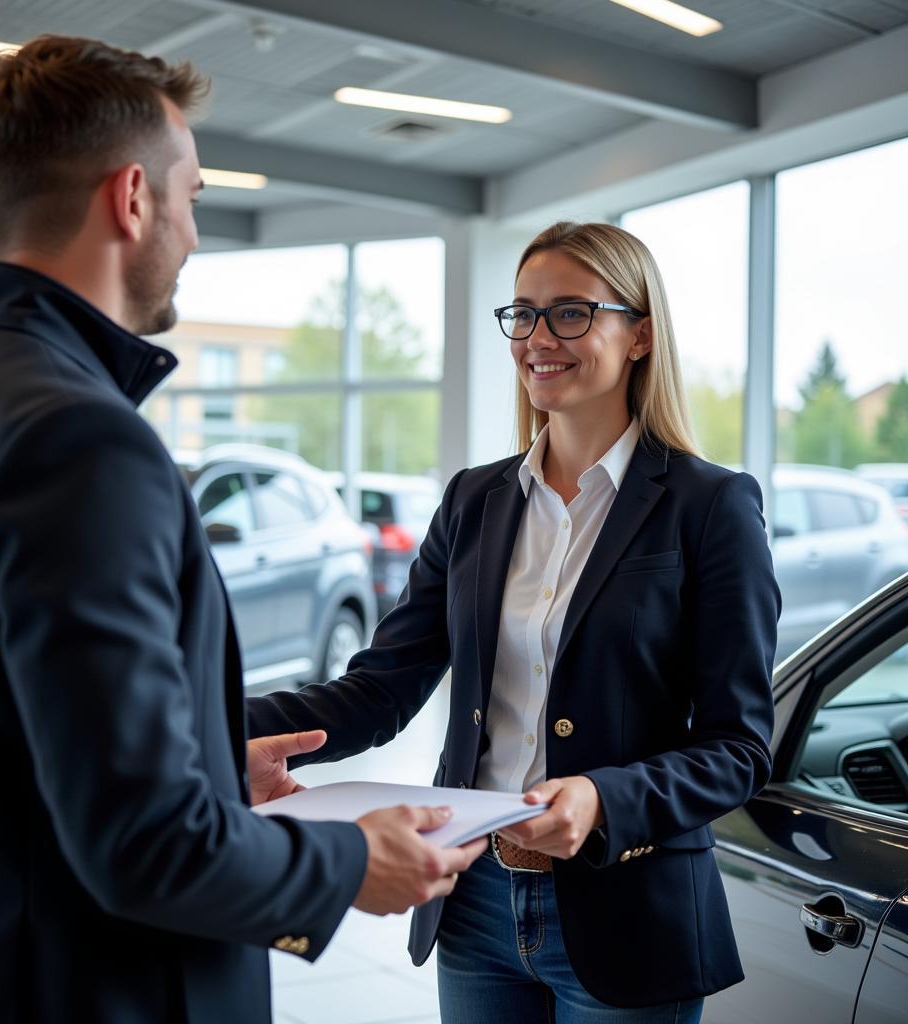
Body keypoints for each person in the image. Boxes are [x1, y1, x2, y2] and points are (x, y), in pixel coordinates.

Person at [0, 35, 486, 1024]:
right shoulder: (79, 438)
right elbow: (142, 844)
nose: (196, 233)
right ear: (132, 198)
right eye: (193, 195)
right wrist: (349, 860)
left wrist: (203, 764)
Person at [248, 221, 781, 1022]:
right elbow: (379, 691)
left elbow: (739, 748)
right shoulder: (474, 500)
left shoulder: (709, 507)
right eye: (523, 314)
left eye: (570, 313)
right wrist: (214, 728)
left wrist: (604, 797)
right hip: (474, 903)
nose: (538, 337)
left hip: (627, 909)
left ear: (638, 334)